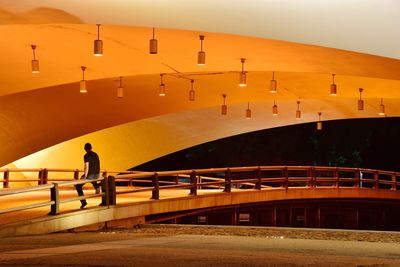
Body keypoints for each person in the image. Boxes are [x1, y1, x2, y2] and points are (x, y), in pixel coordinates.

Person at [75, 143, 101, 209]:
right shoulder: (96, 154)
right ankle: (97, 186)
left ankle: (83, 202)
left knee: (78, 186)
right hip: (97, 174)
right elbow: (97, 165)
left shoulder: (86, 155)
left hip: (90, 175)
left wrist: (85, 176)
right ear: (91, 147)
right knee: (91, 179)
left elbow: (86, 167)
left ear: (85, 149)